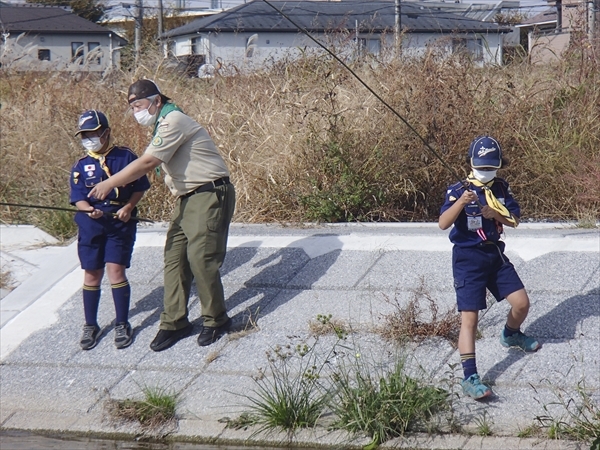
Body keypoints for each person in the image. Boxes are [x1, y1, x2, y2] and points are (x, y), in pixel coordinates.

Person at [88, 79, 236, 352]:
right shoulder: (162, 124)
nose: (136, 112)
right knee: (174, 259)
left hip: (209, 193)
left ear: (157, 101)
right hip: (187, 198)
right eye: (132, 107)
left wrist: (109, 184)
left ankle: (216, 319)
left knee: (201, 258)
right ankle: (175, 322)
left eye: (139, 105)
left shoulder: (173, 120)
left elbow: (148, 162)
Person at [438, 135, 540, 400]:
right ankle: (470, 376)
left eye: (490, 167)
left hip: (494, 255)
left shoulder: (501, 189)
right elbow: (442, 223)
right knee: (469, 319)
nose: (486, 172)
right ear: (471, 164)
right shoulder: (457, 189)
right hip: (467, 260)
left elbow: (515, 219)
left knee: (521, 303)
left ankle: (511, 334)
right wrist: (461, 202)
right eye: (481, 167)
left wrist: (496, 214)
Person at [70, 109, 150, 350]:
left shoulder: (125, 157)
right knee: (92, 274)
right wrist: (88, 210)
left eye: (93, 133)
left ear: (106, 132)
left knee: (116, 271)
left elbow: (140, 186)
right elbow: (78, 198)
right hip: (91, 225)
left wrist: (128, 207)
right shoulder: (81, 165)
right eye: (84, 135)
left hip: (119, 222)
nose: (89, 138)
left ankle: (122, 323)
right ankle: (90, 324)